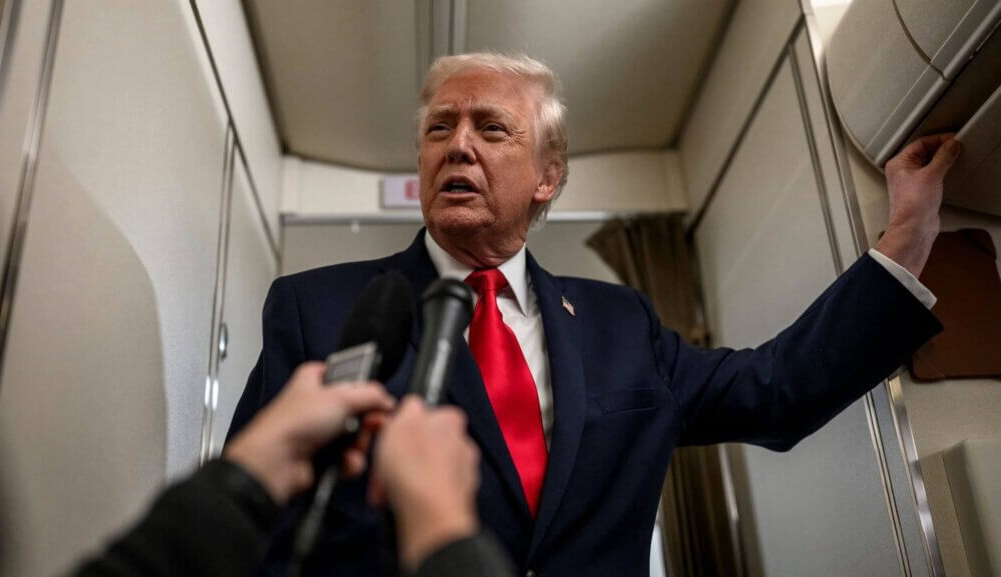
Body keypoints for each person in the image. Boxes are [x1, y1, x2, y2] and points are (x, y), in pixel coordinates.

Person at [227, 52, 960, 577]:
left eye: (491, 128)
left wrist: (907, 237)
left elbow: (778, 389)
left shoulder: (620, 321)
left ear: (548, 177)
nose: (458, 145)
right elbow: (251, 516)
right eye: (439, 129)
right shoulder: (317, 308)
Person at [62, 363, 513, 577]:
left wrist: (246, 474)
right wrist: (440, 524)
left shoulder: (587, 311)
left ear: (547, 178)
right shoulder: (306, 300)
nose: (457, 165)